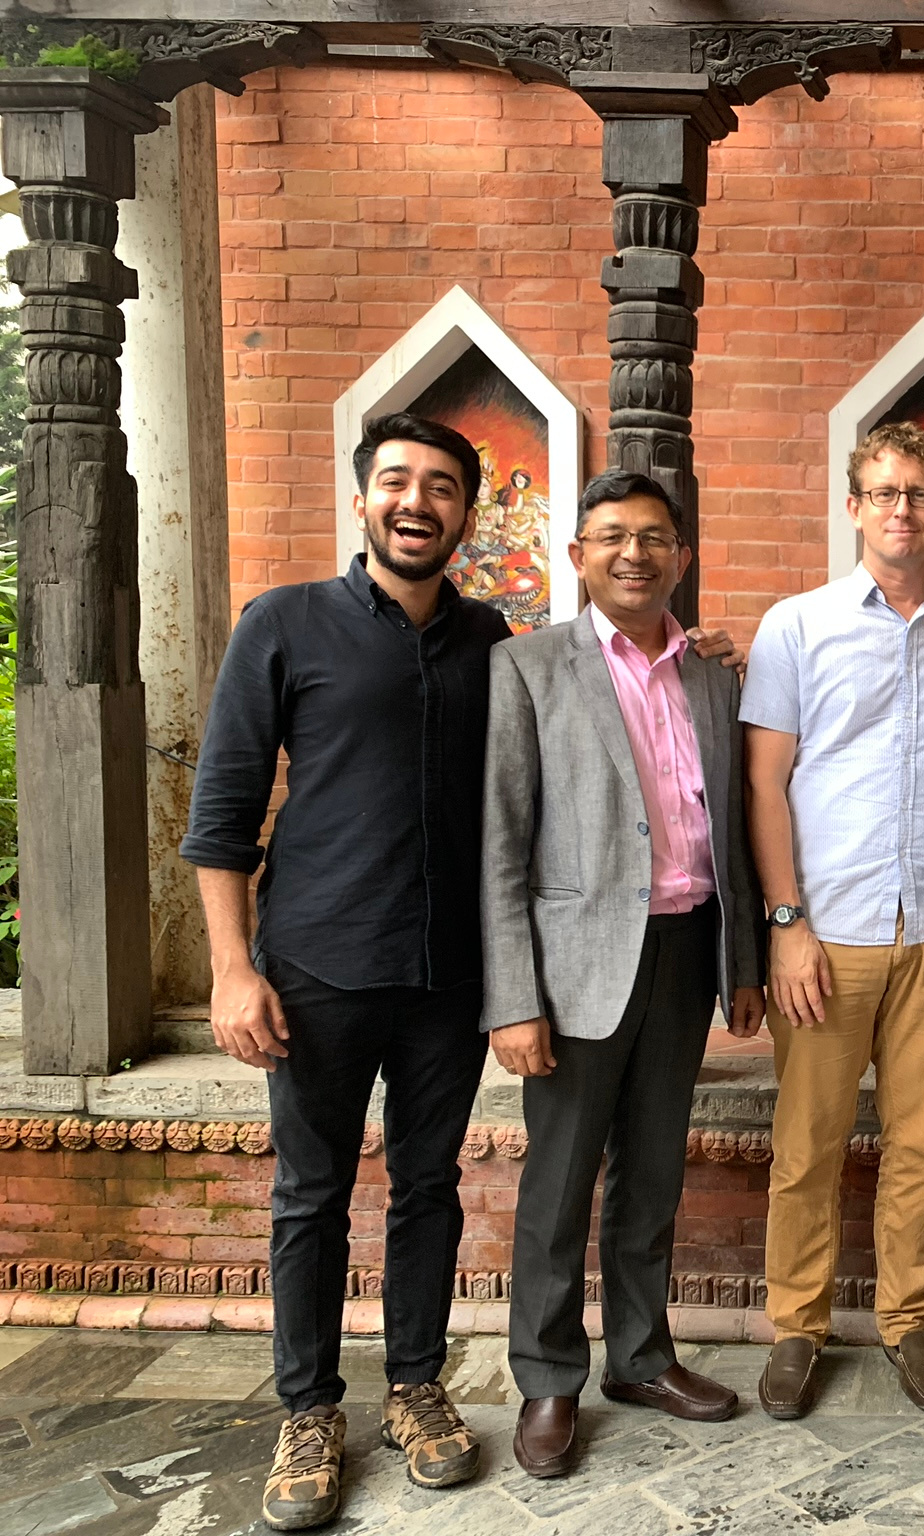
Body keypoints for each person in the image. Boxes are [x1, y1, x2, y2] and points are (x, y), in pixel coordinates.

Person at [182, 415, 503, 1531]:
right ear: (363, 498)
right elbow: (221, 817)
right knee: (309, 1198)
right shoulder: (284, 624)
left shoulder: (492, 642)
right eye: (398, 482)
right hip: (315, 968)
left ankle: (415, 1387)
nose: (419, 503)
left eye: (443, 488)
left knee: (428, 1188)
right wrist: (233, 971)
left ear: (469, 512)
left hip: (447, 979)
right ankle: (308, 1408)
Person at [480, 470, 768, 1478]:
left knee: (650, 1176)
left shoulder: (711, 674)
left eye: (653, 537)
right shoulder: (526, 670)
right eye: (611, 537)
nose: (633, 554)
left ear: (680, 556)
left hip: (687, 950)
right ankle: (548, 1379)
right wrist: (513, 1000)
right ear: (578, 555)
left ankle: (641, 1356)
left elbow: (728, 823)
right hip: (576, 968)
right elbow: (501, 844)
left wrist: (743, 963)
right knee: (558, 1187)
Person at [741, 421, 924, 1419]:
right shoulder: (795, 626)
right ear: (852, 507)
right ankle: (796, 1327)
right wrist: (784, 922)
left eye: (919, 495)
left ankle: (905, 1319)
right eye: (882, 493)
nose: (900, 511)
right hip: (826, 934)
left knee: (921, 1146)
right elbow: (764, 781)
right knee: (808, 1145)